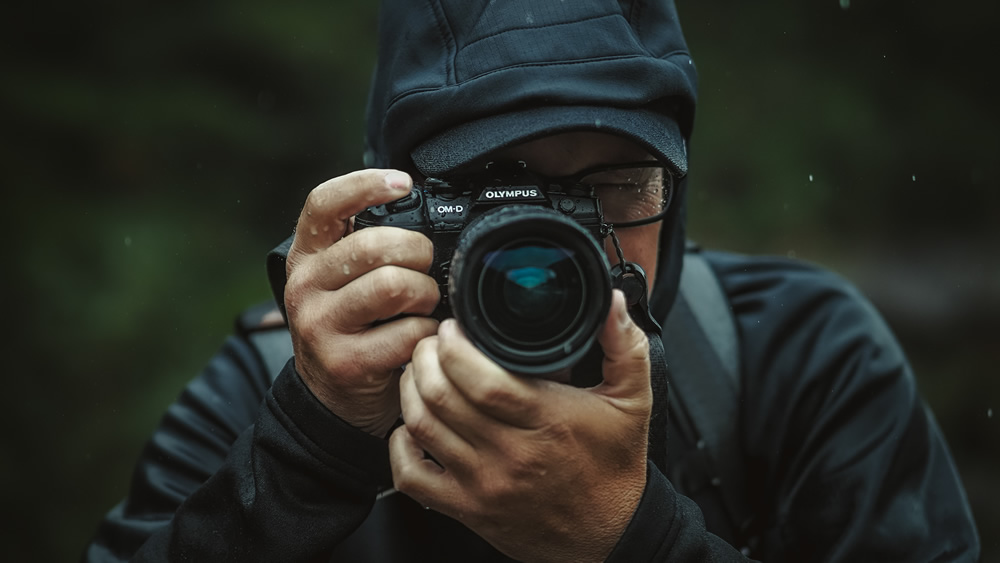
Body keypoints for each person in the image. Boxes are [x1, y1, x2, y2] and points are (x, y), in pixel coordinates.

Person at [83, 0, 980, 561]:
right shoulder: (276, 392)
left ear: (677, 194)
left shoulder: (803, 360)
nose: (552, 249)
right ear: (396, 204)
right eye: (495, 191)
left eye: (616, 187)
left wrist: (630, 538)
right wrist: (310, 448)